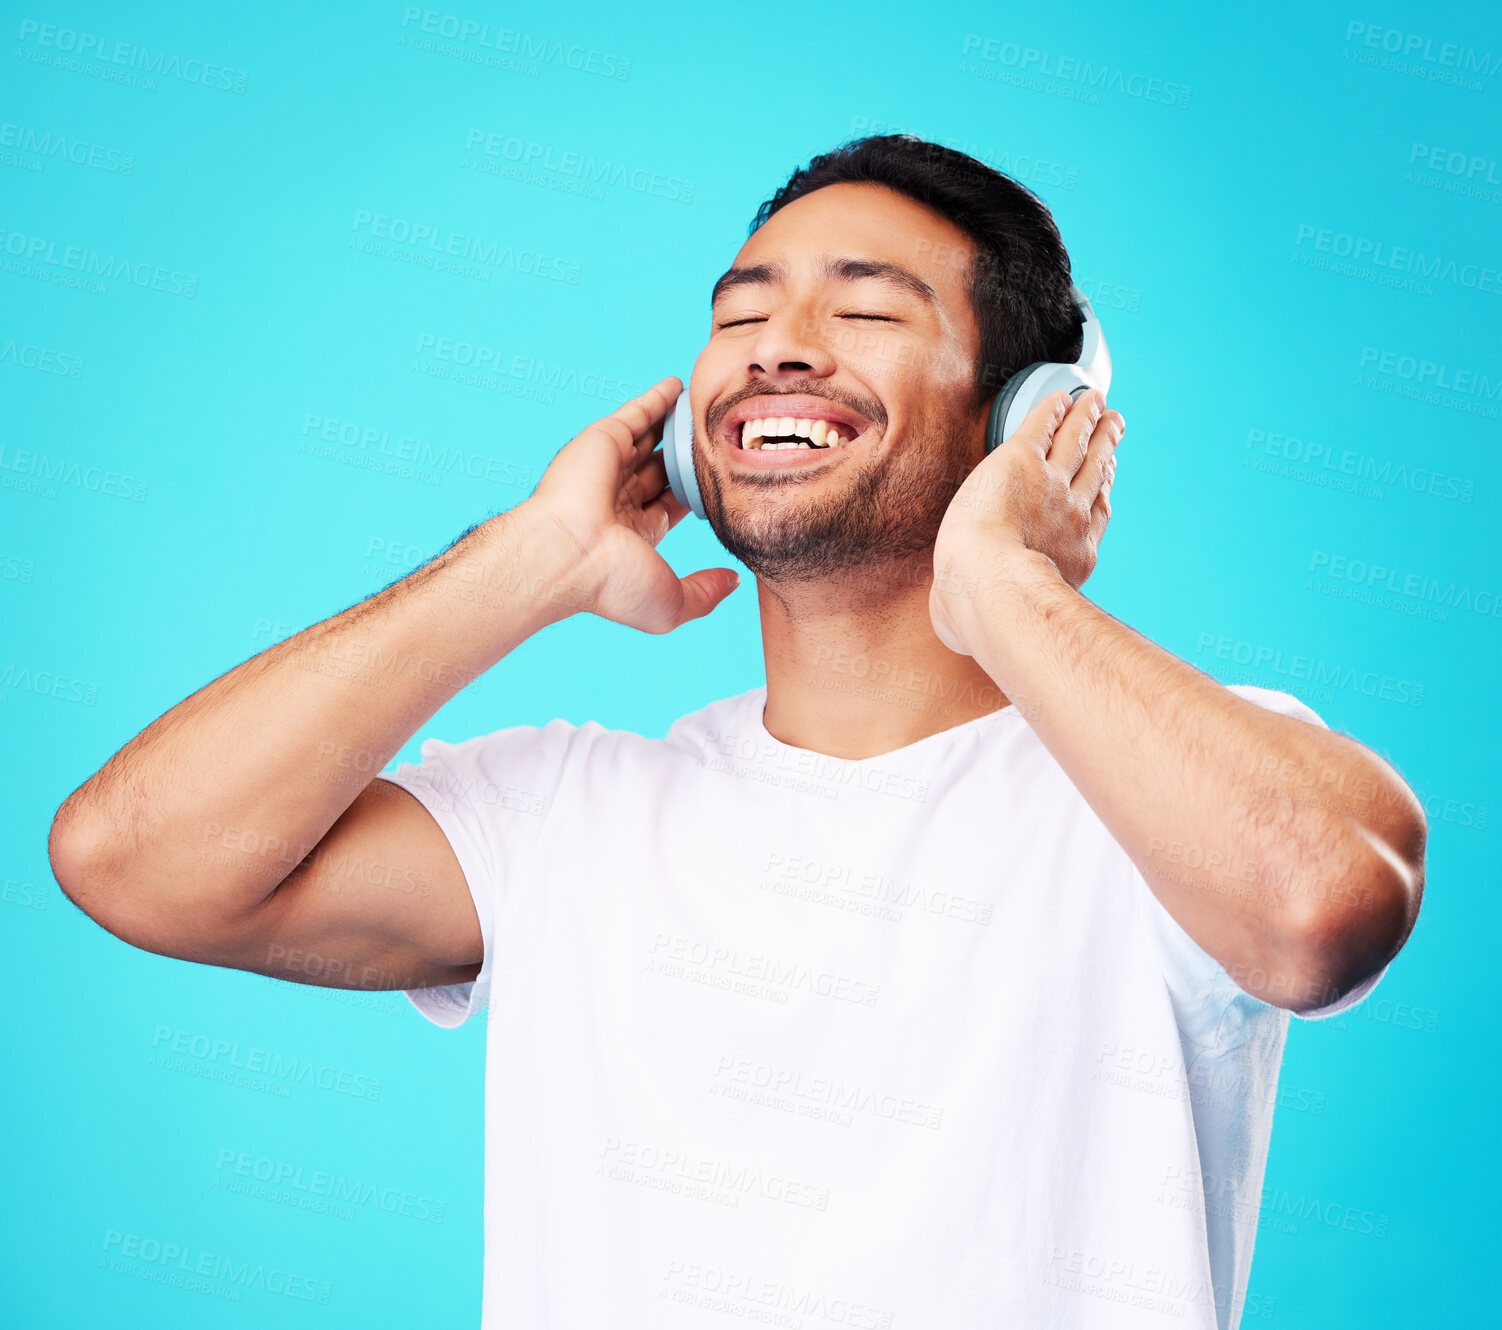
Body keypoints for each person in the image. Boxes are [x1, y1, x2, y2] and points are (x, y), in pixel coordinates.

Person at [49, 135, 1425, 1329]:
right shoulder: (563, 814)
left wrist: (1006, 579)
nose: (777, 345)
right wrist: (529, 556)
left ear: (1034, 412)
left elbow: (1321, 904)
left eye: (865, 307)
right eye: (740, 310)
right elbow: (134, 857)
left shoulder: (1169, 783)